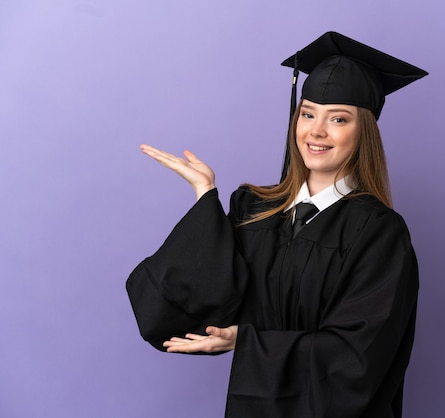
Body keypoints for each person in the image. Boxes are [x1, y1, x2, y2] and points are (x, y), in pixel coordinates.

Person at [126, 31, 427, 417]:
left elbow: (361, 356)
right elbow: (201, 303)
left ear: (363, 132)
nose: (316, 131)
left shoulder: (379, 232)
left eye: (338, 118)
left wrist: (248, 342)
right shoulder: (254, 208)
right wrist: (206, 196)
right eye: (307, 113)